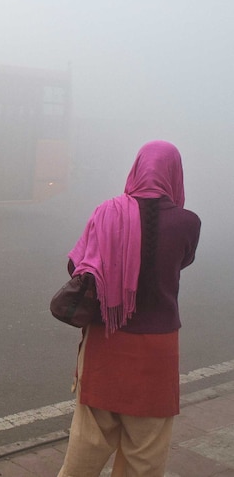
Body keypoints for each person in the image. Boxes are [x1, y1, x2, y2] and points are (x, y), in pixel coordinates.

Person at [57, 140, 201, 476]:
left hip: (105, 343)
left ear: (136, 167)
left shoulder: (107, 212)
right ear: (175, 174)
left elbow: (77, 271)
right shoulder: (188, 222)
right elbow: (183, 262)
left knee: (84, 449)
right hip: (156, 354)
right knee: (145, 456)